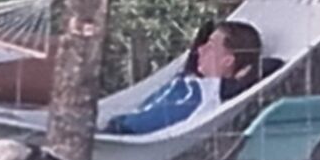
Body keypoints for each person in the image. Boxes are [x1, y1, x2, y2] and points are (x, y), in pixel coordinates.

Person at [101, 19, 266, 135]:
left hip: (121, 134)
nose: (200, 50)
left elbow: (160, 118)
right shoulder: (190, 79)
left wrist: (117, 126)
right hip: (118, 126)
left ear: (228, 60)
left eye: (210, 46)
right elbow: (193, 58)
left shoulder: (205, 92)